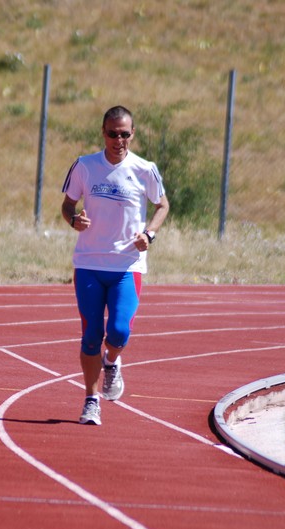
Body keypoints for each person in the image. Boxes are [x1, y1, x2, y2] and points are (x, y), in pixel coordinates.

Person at [61, 105, 169, 425]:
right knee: (91, 335)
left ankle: (112, 362)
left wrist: (149, 234)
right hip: (89, 263)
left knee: (119, 331)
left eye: (124, 134)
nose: (118, 140)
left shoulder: (144, 169)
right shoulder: (85, 166)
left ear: (132, 134)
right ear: (103, 132)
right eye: (112, 134)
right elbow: (68, 204)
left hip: (127, 265)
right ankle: (91, 400)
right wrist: (73, 219)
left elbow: (162, 204)